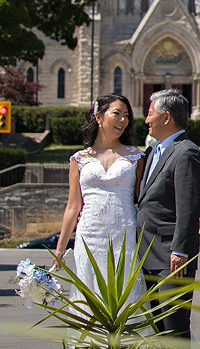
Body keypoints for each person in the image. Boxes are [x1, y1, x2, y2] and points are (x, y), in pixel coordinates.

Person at [53, 94, 146, 307]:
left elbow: (142, 200)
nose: (123, 120)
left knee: (124, 293)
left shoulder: (136, 157)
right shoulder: (79, 159)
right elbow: (73, 206)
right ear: (99, 116)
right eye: (117, 114)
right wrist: (60, 248)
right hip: (89, 236)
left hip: (124, 234)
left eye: (126, 116)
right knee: (89, 295)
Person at [136, 88, 200, 342]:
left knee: (173, 330)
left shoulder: (186, 152)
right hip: (148, 255)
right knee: (157, 329)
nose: (146, 120)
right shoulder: (154, 152)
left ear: (166, 117)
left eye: (150, 114)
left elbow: (189, 208)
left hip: (171, 259)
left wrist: (180, 250)